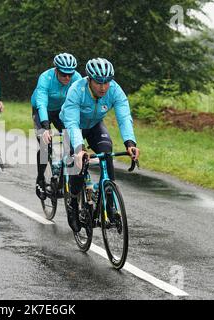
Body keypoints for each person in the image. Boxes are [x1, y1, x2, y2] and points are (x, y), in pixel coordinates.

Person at [59, 58, 140, 232]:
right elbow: (72, 122)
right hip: (74, 126)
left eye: (107, 82)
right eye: (98, 82)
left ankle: (109, 203)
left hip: (95, 125)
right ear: (89, 79)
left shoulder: (115, 90)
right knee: (78, 164)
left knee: (106, 153)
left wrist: (130, 143)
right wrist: (80, 149)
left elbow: (124, 117)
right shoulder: (76, 90)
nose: (103, 87)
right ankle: (73, 202)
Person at [31, 53, 82, 200]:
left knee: (70, 139)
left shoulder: (77, 78)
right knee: (45, 144)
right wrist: (46, 128)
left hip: (61, 111)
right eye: (63, 74)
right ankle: (40, 179)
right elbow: (41, 103)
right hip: (42, 110)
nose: (67, 78)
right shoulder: (45, 78)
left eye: (70, 74)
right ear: (56, 70)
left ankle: (63, 180)